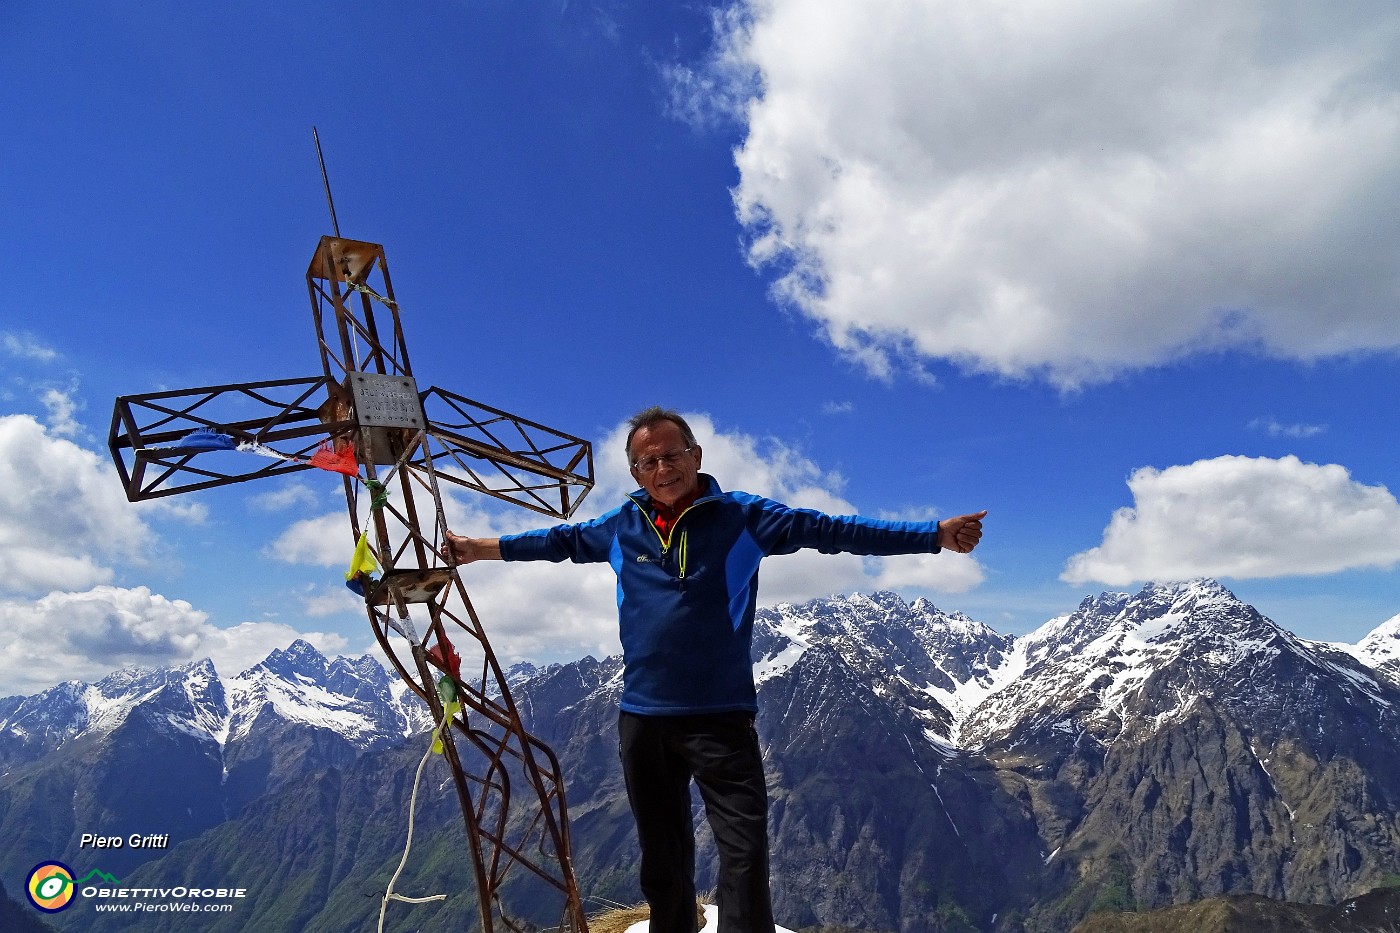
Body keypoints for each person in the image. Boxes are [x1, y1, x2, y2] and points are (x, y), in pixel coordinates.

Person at [441, 406, 986, 933]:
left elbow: (834, 530)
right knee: (662, 852)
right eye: (647, 463)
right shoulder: (622, 526)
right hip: (643, 717)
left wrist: (932, 535)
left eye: (671, 456)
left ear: (696, 455)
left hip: (720, 717)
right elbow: (557, 542)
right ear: (634, 472)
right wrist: (476, 549)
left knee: (743, 851)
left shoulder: (746, 517)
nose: (662, 470)